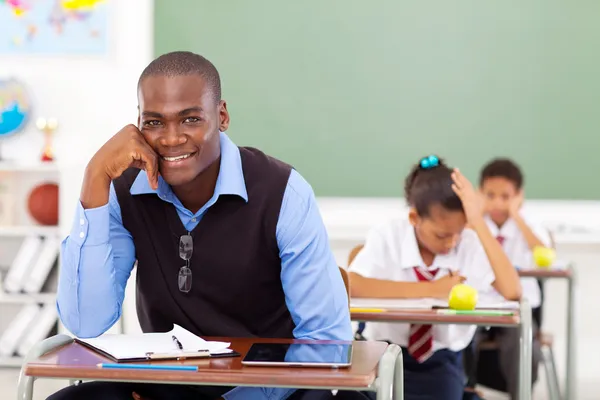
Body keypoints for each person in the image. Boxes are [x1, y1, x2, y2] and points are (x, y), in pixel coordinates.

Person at [51, 51, 355, 400]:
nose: (171, 138)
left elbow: (325, 341)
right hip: (168, 385)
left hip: (265, 387)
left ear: (222, 116)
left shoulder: (282, 192)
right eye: (154, 122)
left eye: (190, 119)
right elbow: (87, 322)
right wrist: (95, 178)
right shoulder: (124, 191)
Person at [348, 155, 521, 400]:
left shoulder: (469, 243)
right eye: (441, 235)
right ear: (414, 218)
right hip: (382, 355)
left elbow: (512, 290)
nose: (451, 242)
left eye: (458, 233)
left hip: (441, 362)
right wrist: (432, 289)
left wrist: (477, 222)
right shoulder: (389, 235)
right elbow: (352, 285)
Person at [474, 157, 550, 399]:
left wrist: (517, 217)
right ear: (479, 194)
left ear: (518, 196)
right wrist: (474, 215)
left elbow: (544, 256)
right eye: (490, 194)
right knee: (461, 337)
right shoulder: (473, 224)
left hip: (517, 308)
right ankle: (466, 391)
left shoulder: (529, 223)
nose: (497, 202)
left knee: (519, 343)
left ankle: (521, 395)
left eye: (505, 197)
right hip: (480, 305)